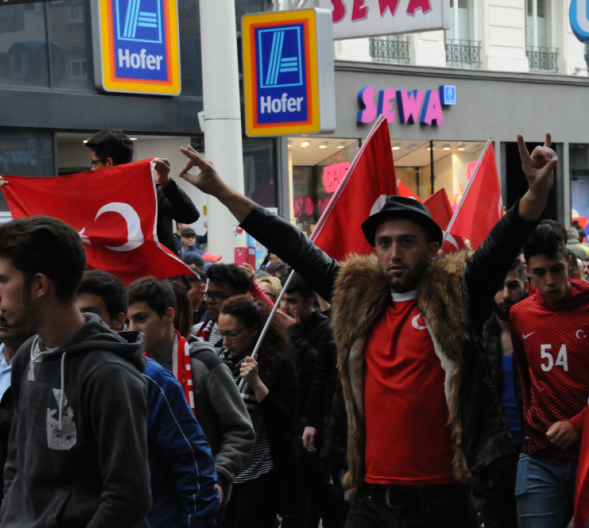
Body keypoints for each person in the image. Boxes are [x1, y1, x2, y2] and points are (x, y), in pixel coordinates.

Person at [176, 131, 558, 528]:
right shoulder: (355, 296)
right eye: (384, 242)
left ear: (432, 248)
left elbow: (502, 240)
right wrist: (220, 190)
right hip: (370, 503)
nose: (394, 253)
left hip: (443, 503)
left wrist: (535, 192)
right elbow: (290, 243)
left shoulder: (457, 296)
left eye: (407, 242)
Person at [0, 216, 151, 526]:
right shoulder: (28, 355)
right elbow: (17, 460)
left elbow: (129, 496)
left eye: (3, 279)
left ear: (40, 285)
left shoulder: (109, 374)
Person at [75, 270, 221, 527]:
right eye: (76, 314)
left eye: (91, 314)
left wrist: (224, 476)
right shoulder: (53, 372)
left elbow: (194, 464)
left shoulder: (154, 380)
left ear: (117, 321)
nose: (82, 322)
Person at [127, 278, 256, 511]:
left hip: (196, 500)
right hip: (146, 503)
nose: (131, 329)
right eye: (127, 321)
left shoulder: (203, 363)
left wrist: (218, 478)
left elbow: (241, 430)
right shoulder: (129, 369)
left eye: (141, 318)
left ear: (168, 315)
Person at [510, 224, 589, 528]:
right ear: (528, 271)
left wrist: (579, 425)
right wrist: (532, 421)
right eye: (540, 273)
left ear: (569, 264)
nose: (550, 281)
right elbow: (525, 378)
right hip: (539, 455)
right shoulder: (520, 314)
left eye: (556, 269)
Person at [217, 296, 299, 528]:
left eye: (232, 334)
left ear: (254, 329)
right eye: (222, 333)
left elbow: (285, 421)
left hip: (260, 473)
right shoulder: (218, 360)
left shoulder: (278, 363)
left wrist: (257, 383)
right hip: (225, 471)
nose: (225, 342)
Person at [273, 273, 344, 528]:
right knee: (304, 487)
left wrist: (295, 334)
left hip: (318, 416)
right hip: (296, 413)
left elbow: (319, 370)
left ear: (309, 303)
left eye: (292, 301)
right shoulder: (287, 329)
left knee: (318, 484)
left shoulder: (324, 329)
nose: (285, 308)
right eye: (283, 301)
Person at [85, 129, 200, 255]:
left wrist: (168, 185)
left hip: (154, 272)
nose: (91, 169)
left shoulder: (152, 191)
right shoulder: (96, 196)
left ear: (109, 163)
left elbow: (190, 216)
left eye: (94, 163)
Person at [481, 259, 528, 528]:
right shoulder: (479, 334)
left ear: (525, 286)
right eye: (499, 287)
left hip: (535, 451)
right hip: (495, 456)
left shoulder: (538, 332)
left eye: (513, 286)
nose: (506, 295)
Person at [0, 307, 33, 527]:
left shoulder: (45, 366)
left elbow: (28, 430)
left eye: (9, 304)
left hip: (12, 510)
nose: (0, 314)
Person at [193, 264, 251, 347]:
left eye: (218, 295)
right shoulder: (195, 333)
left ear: (238, 298)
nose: (210, 300)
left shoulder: (251, 337)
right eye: (209, 294)